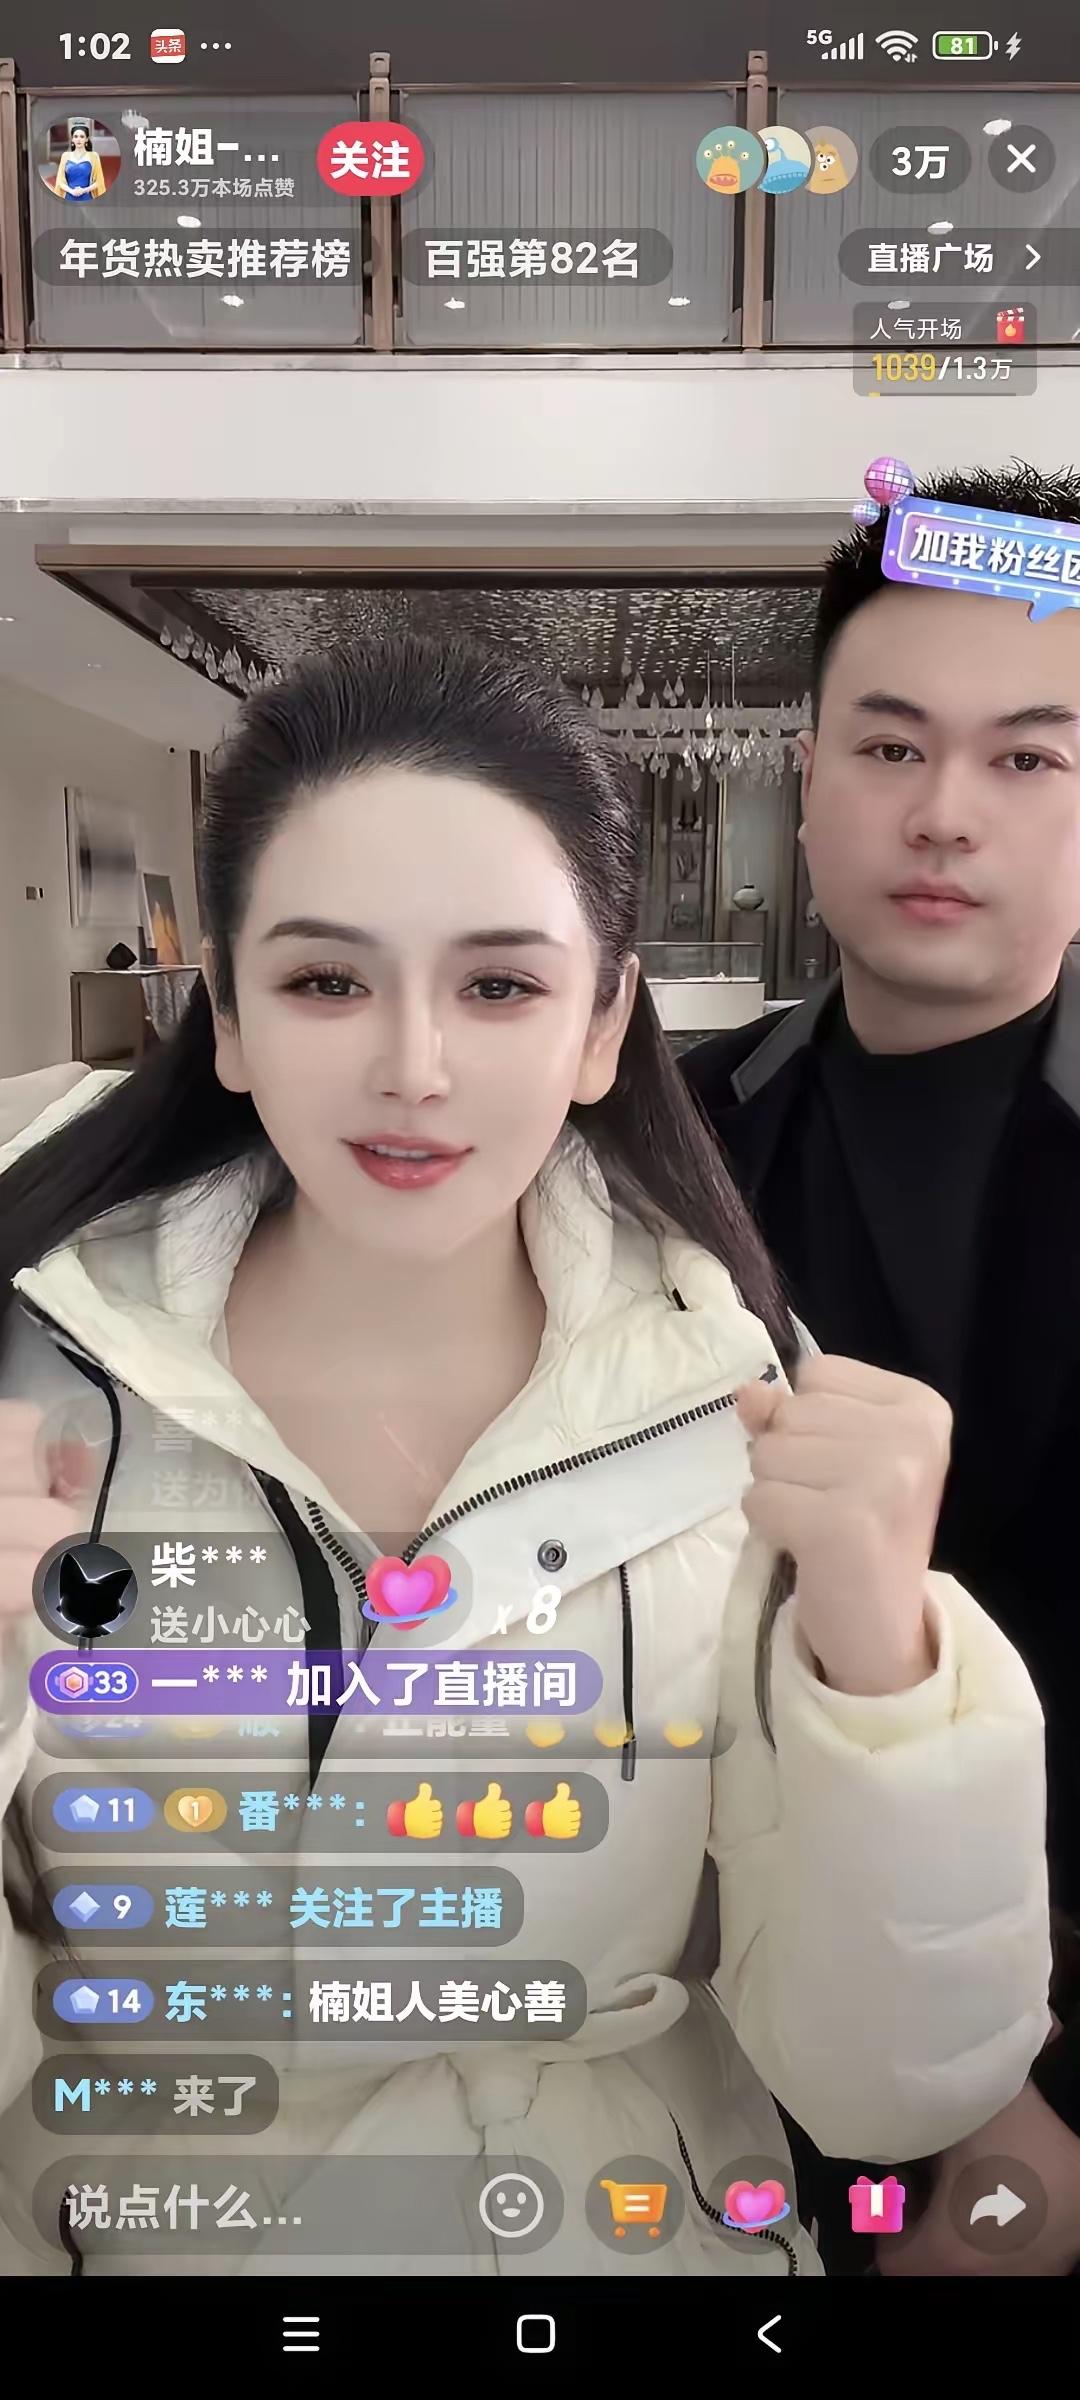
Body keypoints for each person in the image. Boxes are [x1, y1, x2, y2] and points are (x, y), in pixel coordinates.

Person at [0, 636, 1051, 2281]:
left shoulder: (738, 1413)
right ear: (230, 1017)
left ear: (602, 1024)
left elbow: (886, 2084)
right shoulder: (35, 1393)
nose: (414, 1067)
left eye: (499, 986)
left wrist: (888, 1672)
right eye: (327, 981)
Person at [683, 460, 1080, 2275]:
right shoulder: (660, 1147)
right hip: (743, 2022)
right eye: (892, 744)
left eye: (1028, 758)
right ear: (812, 773)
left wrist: (1051, 2100)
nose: (944, 814)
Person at [50, 123, 106, 203]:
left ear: (87, 139)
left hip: (87, 196)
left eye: (82, 136)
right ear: (72, 139)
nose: (78, 139)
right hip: (68, 196)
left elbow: (99, 181)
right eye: (76, 136)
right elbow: (60, 181)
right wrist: (71, 191)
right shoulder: (65, 156)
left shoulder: (93, 156)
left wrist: (84, 190)